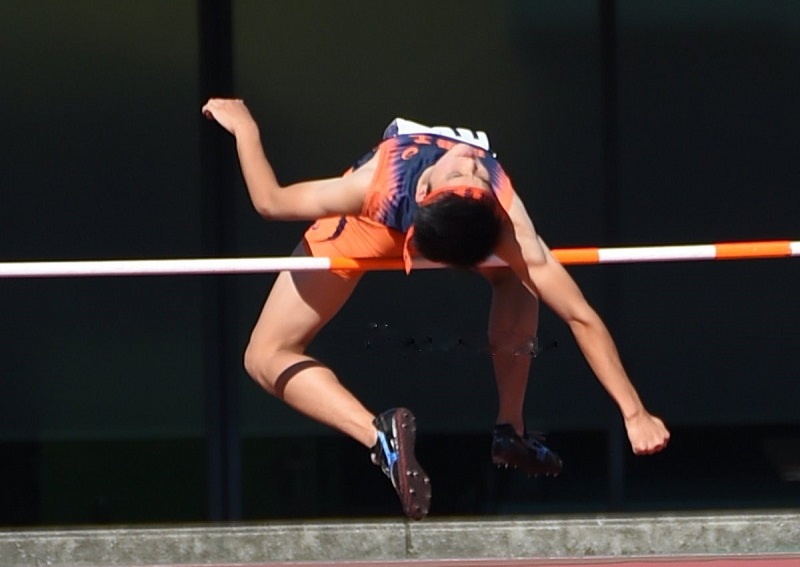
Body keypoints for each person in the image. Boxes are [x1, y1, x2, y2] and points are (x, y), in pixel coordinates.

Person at [201, 98, 671, 520]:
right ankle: (463, 431)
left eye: (476, 178)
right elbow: (271, 202)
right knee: (266, 355)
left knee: (264, 355)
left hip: (394, 225)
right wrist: (245, 127)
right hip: (376, 224)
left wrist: (634, 413)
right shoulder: (386, 186)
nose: (471, 163)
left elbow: (579, 316)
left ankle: (437, 434)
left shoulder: (497, 217)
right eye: (467, 175)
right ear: (425, 189)